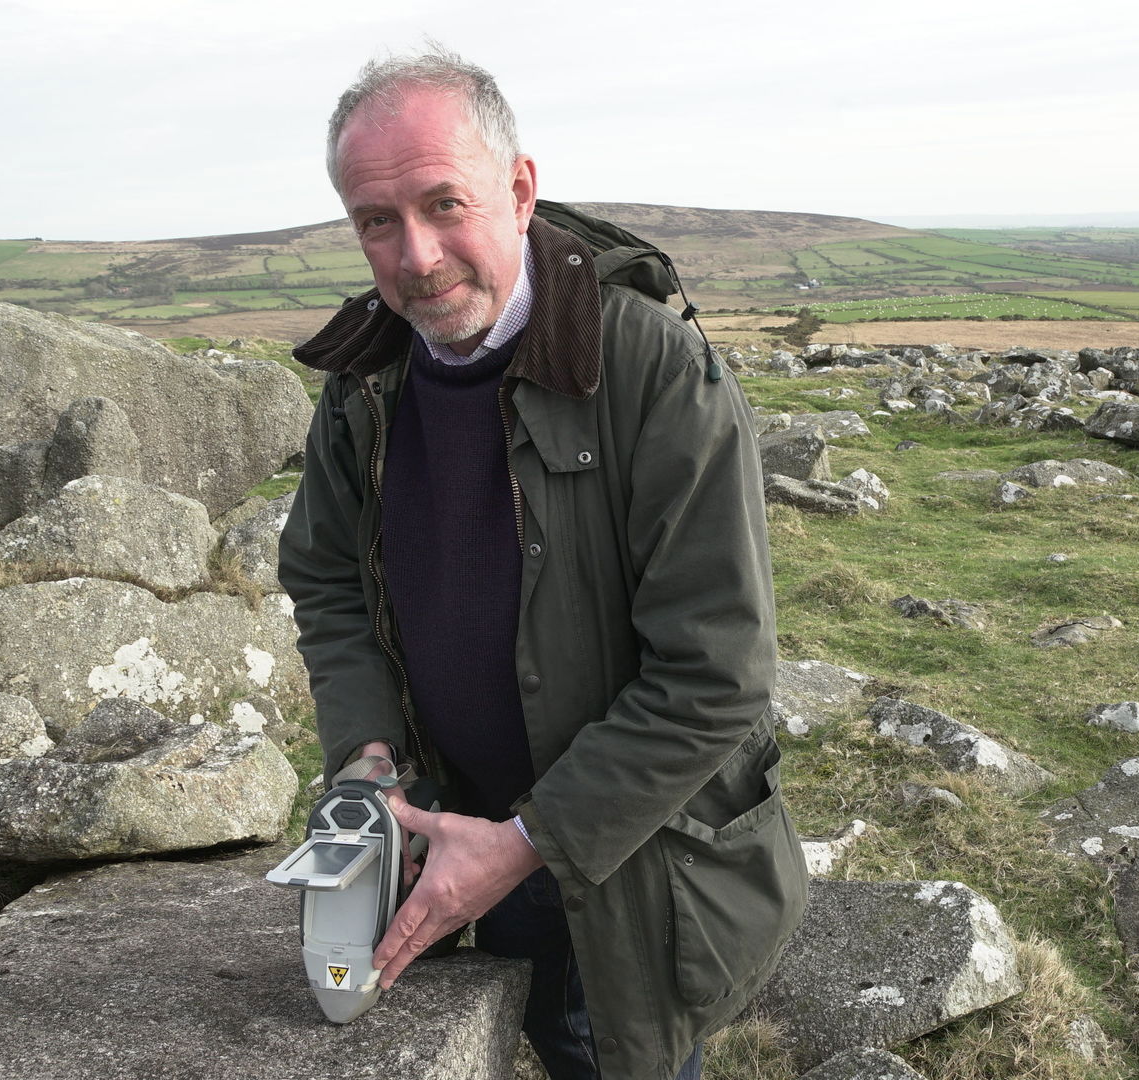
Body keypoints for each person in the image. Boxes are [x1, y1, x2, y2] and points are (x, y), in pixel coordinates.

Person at [277, 46, 807, 1080]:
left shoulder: (652, 368)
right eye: (377, 222)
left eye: (443, 204)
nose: (416, 257)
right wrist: (367, 758)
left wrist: (525, 840)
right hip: (460, 830)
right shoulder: (365, 384)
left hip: (642, 852)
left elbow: (718, 677)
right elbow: (329, 583)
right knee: (551, 1036)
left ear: (520, 190)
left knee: (631, 1055)